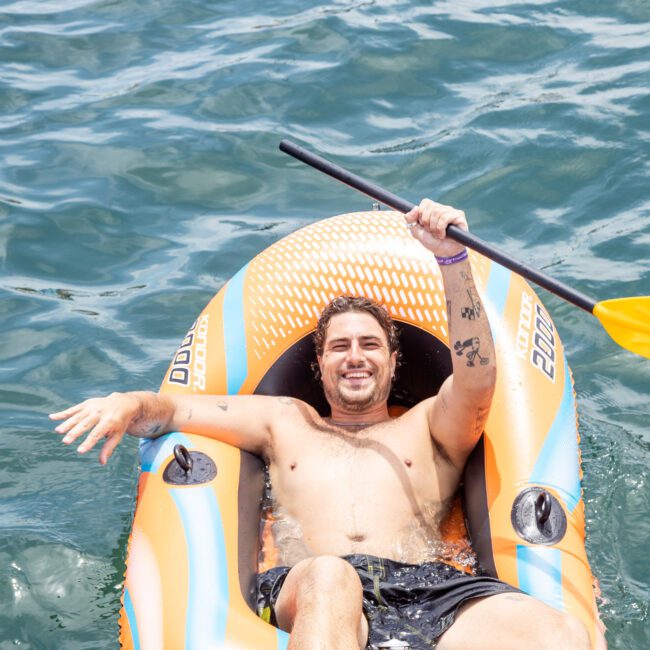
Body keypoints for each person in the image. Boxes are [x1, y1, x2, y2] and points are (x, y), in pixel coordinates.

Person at [50, 200, 593, 649]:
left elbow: (477, 375)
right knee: (334, 578)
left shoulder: (431, 425)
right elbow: (172, 410)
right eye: (340, 346)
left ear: (393, 361)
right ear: (320, 364)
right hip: (314, 587)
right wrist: (126, 402)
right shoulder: (285, 422)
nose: (355, 356)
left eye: (369, 345)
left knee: (554, 632)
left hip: (428, 588)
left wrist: (452, 261)